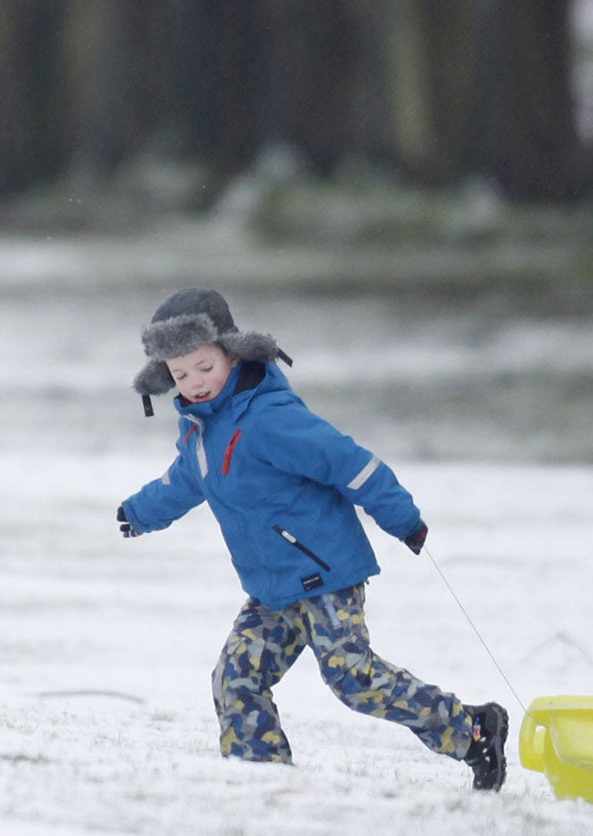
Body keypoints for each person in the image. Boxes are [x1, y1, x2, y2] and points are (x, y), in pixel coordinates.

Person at [116, 287, 507, 790]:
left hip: (324, 573)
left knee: (353, 677)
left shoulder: (271, 418)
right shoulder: (202, 433)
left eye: (203, 367)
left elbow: (350, 463)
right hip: (271, 588)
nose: (194, 383)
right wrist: (139, 513)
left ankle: (472, 730)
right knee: (236, 679)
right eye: (179, 374)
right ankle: (261, 781)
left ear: (232, 354)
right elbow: (183, 481)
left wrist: (402, 518)